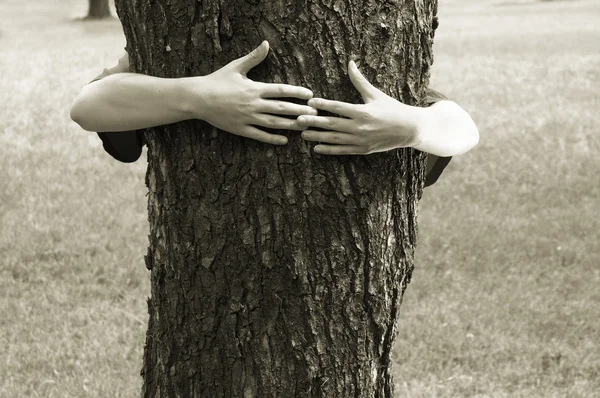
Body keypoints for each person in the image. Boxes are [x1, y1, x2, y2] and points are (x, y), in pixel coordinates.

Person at [70, 41, 479, 187]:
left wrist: (413, 125)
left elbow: (462, 128)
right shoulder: (175, 41)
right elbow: (89, 106)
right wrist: (199, 97)